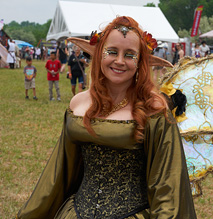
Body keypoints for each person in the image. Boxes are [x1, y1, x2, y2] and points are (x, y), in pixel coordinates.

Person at [15, 16, 196, 218]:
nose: (119, 61)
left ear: (140, 62)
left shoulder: (154, 110)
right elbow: (61, 172)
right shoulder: (78, 103)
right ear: (100, 55)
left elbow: (167, 185)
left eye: (129, 55)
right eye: (112, 52)